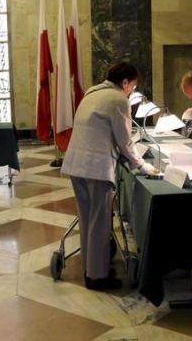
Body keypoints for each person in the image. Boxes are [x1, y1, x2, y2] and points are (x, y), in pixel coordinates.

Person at [61, 62, 156, 290]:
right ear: (125, 82)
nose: (132, 91)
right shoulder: (117, 99)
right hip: (96, 168)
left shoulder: (92, 93)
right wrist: (144, 166)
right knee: (100, 222)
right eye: (132, 86)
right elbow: (125, 142)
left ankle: (89, 268)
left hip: (77, 164)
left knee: (87, 220)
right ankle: (97, 277)